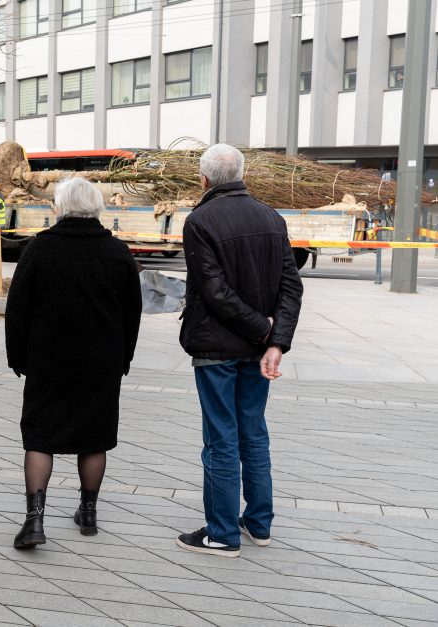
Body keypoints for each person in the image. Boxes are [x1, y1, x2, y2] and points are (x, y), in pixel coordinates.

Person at [176, 144, 303, 558]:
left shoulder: (200, 220)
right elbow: (291, 286)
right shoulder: (271, 217)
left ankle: (222, 533)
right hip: (256, 349)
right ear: (243, 173)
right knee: (254, 433)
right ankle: (259, 525)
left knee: (221, 439)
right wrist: (274, 339)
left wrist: (265, 331)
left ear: (204, 179)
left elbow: (214, 292)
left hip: (216, 346)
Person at [5, 177, 142, 549]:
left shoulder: (40, 249)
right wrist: (124, 357)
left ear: (60, 207)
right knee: (94, 435)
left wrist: (17, 356)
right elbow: (133, 313)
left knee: (39, 436)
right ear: (97, 208)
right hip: (101, 360)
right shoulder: (117, 253)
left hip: (47, 359)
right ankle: (88, 512)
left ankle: (34, 521)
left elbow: (17, 309)